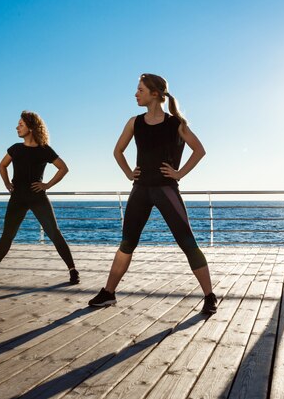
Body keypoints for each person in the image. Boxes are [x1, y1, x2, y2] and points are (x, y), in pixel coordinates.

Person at [88, 73, 218, 314]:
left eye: (140, 90)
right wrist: (129, 173)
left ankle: (209, 296)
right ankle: (108, 293)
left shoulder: (176, 124)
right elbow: (118, 151)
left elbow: (199, 150)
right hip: (140, 191)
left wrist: (179, 174)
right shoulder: (134, 122)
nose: (135, 94)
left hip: (166, 190)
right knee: (127, 243)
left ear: (155, 94)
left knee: (187, 242)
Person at [0, 111, 79, 284]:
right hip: (17, 197)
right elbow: (2, 165)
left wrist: (47, 185)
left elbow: (63, 168)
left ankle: (73, 270)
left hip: (38, 197)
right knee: (7, 234)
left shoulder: (44, 149)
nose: (17, 127)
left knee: (54, 233)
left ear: (30, 128)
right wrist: (7, 183)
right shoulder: (16, 148)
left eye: (21, 124)